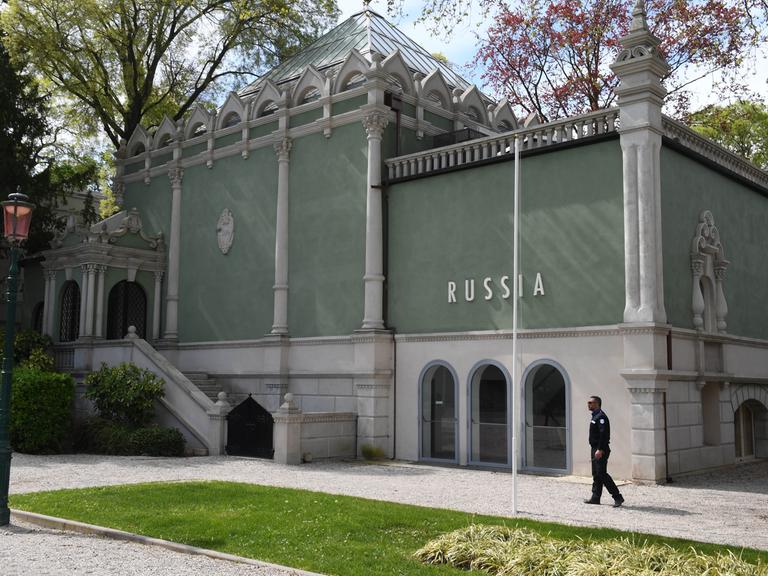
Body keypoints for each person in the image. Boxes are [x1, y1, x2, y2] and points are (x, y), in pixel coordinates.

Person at [584, 395, 624, 507]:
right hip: (595, 448)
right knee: (596, 474)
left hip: (600, 449)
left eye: (590, 402)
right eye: (588, 402)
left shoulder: (601, 417)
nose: (588, 404)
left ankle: (617, 497)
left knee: (602, 473)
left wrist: (600, 449)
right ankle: (595, 497)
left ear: (597, 404)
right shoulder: (595, 416)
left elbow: (604, 435)